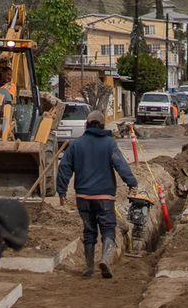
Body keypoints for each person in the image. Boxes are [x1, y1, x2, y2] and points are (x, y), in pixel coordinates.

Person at [55, 116, 139, 278]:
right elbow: (121, 165)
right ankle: (106, 260)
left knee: (89, 230)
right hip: (105, 197)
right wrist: (132, 183)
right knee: (108, 228)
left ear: (87, 125)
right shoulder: (109, 144)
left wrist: (62, 192)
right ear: (102, 126)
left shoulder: (76, 144)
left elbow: (64, 168)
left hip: (83, 197)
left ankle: (89, 267)